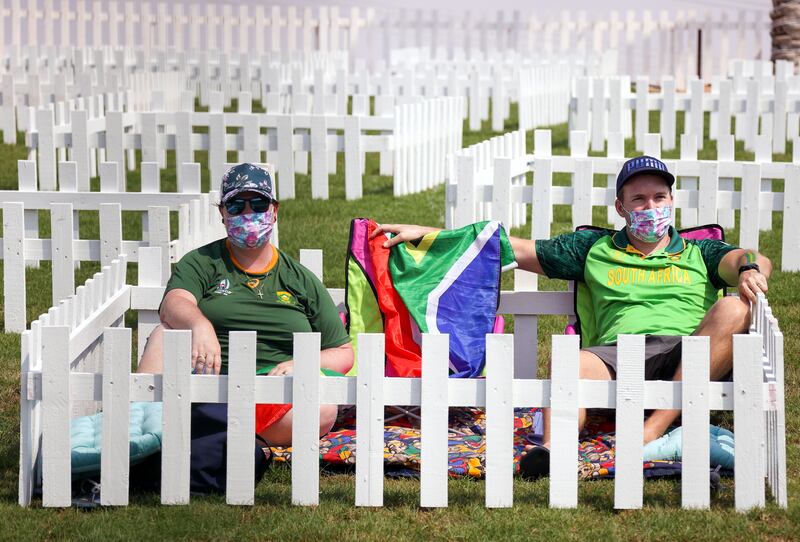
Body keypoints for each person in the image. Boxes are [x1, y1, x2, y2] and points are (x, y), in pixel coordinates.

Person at [372, 155, 771, 479]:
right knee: (571, 358)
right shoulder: (592, 248)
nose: (652, 207)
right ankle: (554, 450)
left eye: (660, 197)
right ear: (620, 207)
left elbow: (747, 258)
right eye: (639, 199)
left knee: (734, 307)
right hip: (618, 356)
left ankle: (651, 432)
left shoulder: (699, 252)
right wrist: (428, 234)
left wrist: (752, 269)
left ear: (671, 201)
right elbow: (512, 247)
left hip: (689, 352)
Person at [138, 163, 354, 446]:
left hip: (275, 393)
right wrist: (199, 325)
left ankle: (200, 433)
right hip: (207, 386)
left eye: (259, 204)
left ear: (274, 211)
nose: (249, 214)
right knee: (164, 334)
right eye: (237, 205)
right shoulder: (202, 262)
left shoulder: (300, 279)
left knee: (323, 410)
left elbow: (342, 352)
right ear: (222, 214)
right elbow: (173, 302)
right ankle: (143, 425)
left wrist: (301, 364)